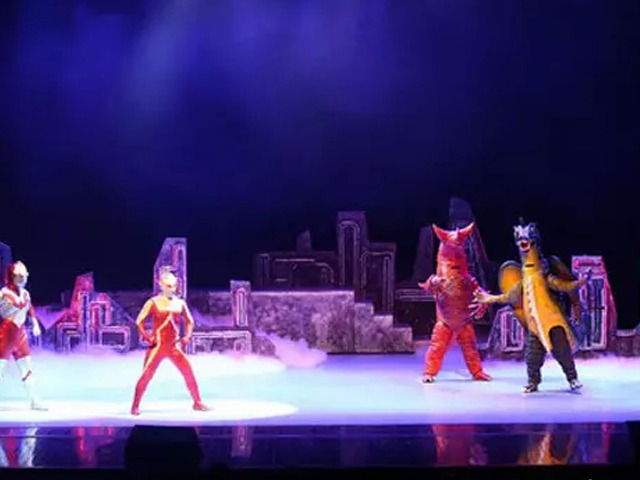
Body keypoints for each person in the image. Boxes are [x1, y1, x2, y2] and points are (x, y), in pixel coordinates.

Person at [473, 220, 589, 393]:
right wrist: (489, 298)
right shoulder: (524, 279)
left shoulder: (543, 275)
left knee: (562, 351)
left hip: (553, 321)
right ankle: (533, 382)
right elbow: (510, 296)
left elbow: (560, 285)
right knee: (532, 356)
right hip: (535, 324)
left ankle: (572, 378)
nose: (523, 242)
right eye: (519, 240)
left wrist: (577, 283)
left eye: (526, 239)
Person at [418, 223, 491, 383]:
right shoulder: (438, 279)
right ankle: (429, 373)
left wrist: (483, 301)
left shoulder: (467, 279)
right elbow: (427, 286)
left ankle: (477, 372)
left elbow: (480, 292)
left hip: (464, 320)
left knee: (470, 348)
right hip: (445, 320)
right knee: (437, 347)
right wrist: (432, 282)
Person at [130, 267, 208, 415]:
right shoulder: (153, 302)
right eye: (168, 285)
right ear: (161, 285)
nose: (171, 289)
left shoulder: (179, 303)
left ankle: (197, 402)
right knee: (146, 376)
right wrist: (147, 337)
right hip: (157, 346)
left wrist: (187, 337)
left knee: (188, 372)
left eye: (173, 286)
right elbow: (139, 321)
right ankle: (135, 406)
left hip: (174, 346)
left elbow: (190, 321)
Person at [0, 261, 46, 410]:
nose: (23, 279)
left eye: (25, 276)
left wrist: (35, 323)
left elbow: (30, 309)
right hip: (6, 335)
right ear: (12, 276)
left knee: (27, 368)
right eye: (19, 276)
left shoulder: (26, 294)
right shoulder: (3, 293)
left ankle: (34, 401)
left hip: (21, 335)